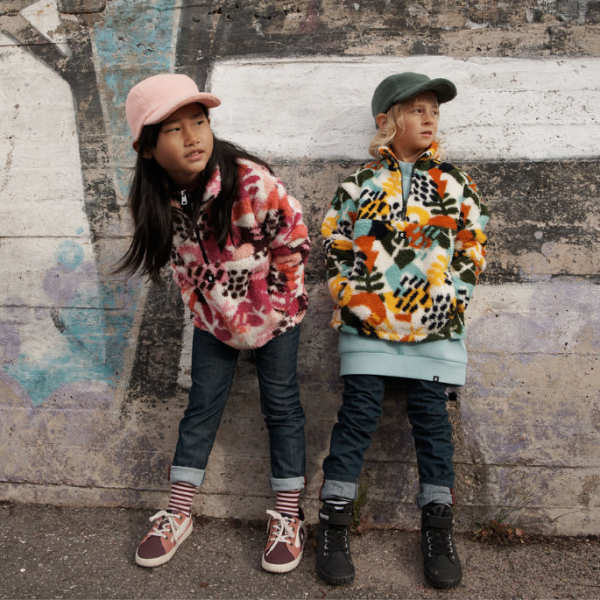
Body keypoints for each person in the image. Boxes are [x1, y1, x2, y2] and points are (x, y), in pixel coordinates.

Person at [117, 74, 311, 573]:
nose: (193, 137)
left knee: (282, 407)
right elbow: (181, 263)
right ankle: (178, 512)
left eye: (199, 122)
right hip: (213, 322)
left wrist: (276, 307)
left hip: (275, 317)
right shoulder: (161, 199)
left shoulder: (249, 182)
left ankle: (289, 516)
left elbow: (293, 240)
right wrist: (202, 306)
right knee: (201, 406)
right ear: (147, 148)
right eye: (174, 129)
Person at [317, 72, 489, 588]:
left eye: (434, 110)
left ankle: (438, 531)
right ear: (386, 121)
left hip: (435, 328)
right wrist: (350, 295)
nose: (429, 118)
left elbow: (473, 244)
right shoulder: (359, 183)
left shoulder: (456, 183)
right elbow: (335, 240)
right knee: (356, 420)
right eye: (416, 109)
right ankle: (333, 527)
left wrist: (453, 297)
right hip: (368, 325)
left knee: (433, 427)